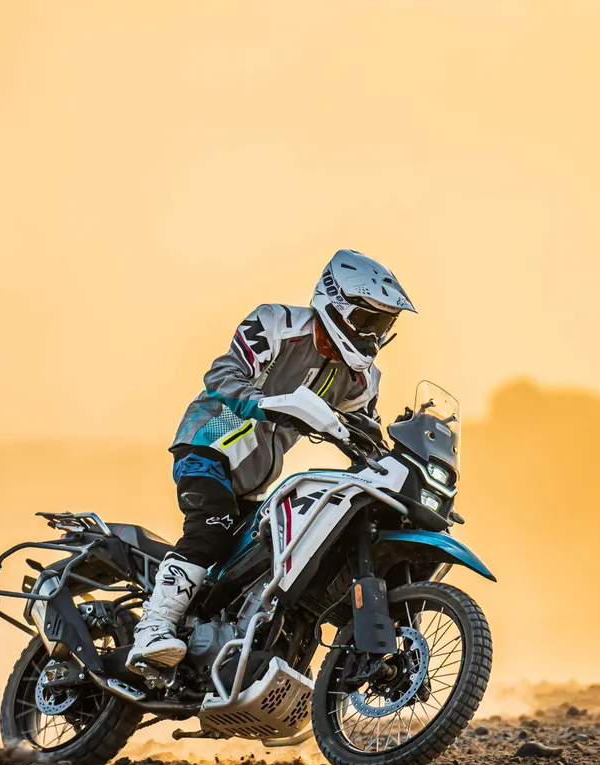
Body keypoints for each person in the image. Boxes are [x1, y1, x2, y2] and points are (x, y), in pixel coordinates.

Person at [128, 249, 415, 669]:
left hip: (258, 476)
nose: (372, 335)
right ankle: (152, 629)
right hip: (209, 441)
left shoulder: (363, 381)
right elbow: (221, 377)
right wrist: (268, 404)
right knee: (211, 527)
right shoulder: (276, 324)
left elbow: (365, 439)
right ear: (335, 302)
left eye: (382, 325)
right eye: (366, 320)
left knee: (263, 560)